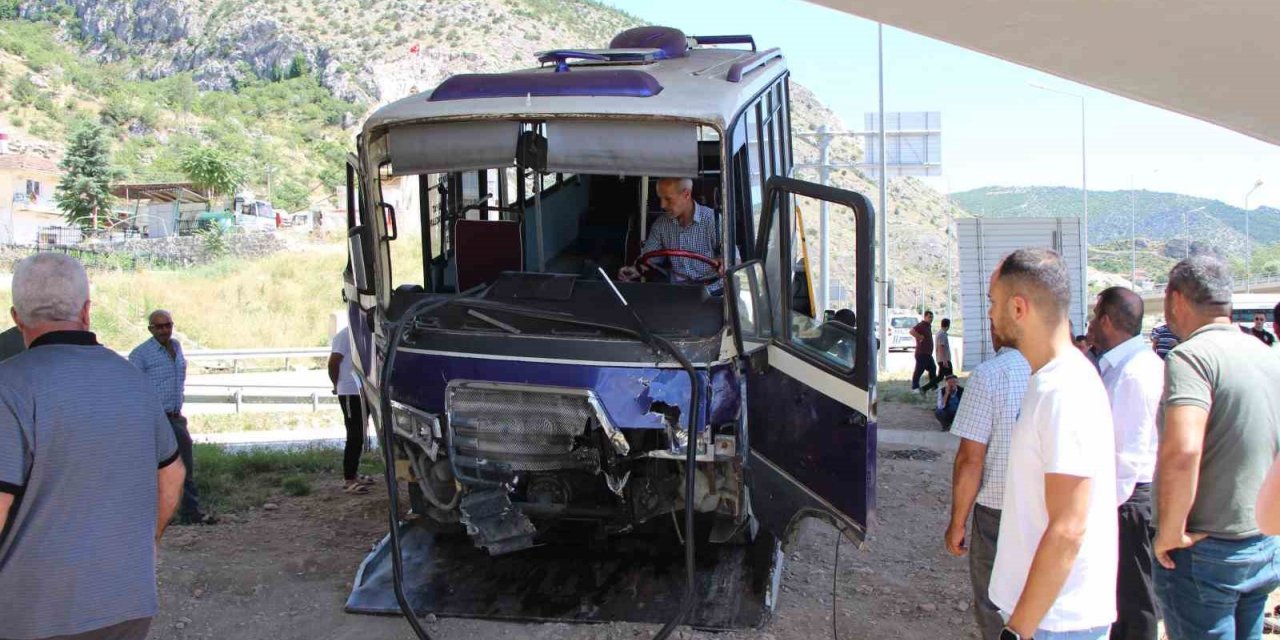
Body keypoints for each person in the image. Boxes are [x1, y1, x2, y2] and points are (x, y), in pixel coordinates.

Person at [0, 253, 186, 640]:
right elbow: (171, 475)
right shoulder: (131, 377)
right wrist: (145, 542)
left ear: (18, 319)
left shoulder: (10, 387)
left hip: (32, 614)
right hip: (127, 605)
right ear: (86, 311)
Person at [987, 248, 1118, 640]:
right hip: (1045, 619)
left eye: (994, 303)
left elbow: (1068, 527)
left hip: (1053, 623)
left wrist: (1018, 631)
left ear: (1018, 307)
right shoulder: (1051, 379)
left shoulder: (1063, 389)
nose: (991, 314)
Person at [1152, 255, 1280, 640]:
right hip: (1260, 542)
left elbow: (1183, 450)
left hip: (1204, 550)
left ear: (1176, 299)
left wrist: (1170, 531)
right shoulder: (1267, 356)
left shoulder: (1191, 357)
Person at [1087, 287, 1164, 640]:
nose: (1089, 325)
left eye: (1092, 317)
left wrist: (1101, 510)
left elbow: (1125, 457)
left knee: (1135, 600)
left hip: (1128, 499)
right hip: (1127, 497)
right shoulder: (1126, 365)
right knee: (1122, 595)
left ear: (1106, 320)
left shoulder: (1133, 372)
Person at [946, 325, 1032, 640]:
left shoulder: (989, 375)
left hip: (998, 513)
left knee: (994, 602)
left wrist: (957, 522)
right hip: (1051, 512)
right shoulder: (1066, 372)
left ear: (996, 330)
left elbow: (970, 459)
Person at [129, 310, 214, 525]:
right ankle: (145, 516)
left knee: (184, 466)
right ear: (150, 329)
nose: (164, 330)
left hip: (176, 417)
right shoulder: (140, 354)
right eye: (159, 326)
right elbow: (133, 388)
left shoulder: (176, 347)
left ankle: (190, 512)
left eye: (167, 325)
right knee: (151, 468)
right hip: (154, 419)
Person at [618, 177, 721, 286]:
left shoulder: (713, 220)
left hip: (711, 290)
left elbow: (734, 261)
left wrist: (723, 263)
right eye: (660, 199)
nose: (662, 205)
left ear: (686, 194)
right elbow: (649, 260)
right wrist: (634, 270)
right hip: (675, 291)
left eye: (668, 199)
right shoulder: (661, 224)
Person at [329, 326, 373, 494]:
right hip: (349, 390)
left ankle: (354, 473)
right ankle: (349, 479)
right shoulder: (344, 335)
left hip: (365, 390)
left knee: (360, 433)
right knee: (354, 434)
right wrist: (336, 385)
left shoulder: (368, 332)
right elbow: (333, 362)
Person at [910, 310, 937, 393]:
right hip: (922, 353)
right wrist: (919, 337)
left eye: (932, 317)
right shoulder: (921, 325)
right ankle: (915, 388)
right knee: (919, 370)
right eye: (929, 317)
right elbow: (912, 331)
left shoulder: (928, 326)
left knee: (933, 368)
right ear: (925, 317)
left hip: (928, 354)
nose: (931, 319)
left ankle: (933, 387)